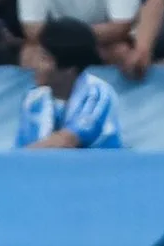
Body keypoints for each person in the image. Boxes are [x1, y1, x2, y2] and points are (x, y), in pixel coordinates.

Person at [15, 17, 122, 149]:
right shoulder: (33, 99)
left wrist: (22, 156)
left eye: (44, 58)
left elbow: (67, 141)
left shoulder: (97, 93)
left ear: (69, 69)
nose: (34, 64)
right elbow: (23, 147)